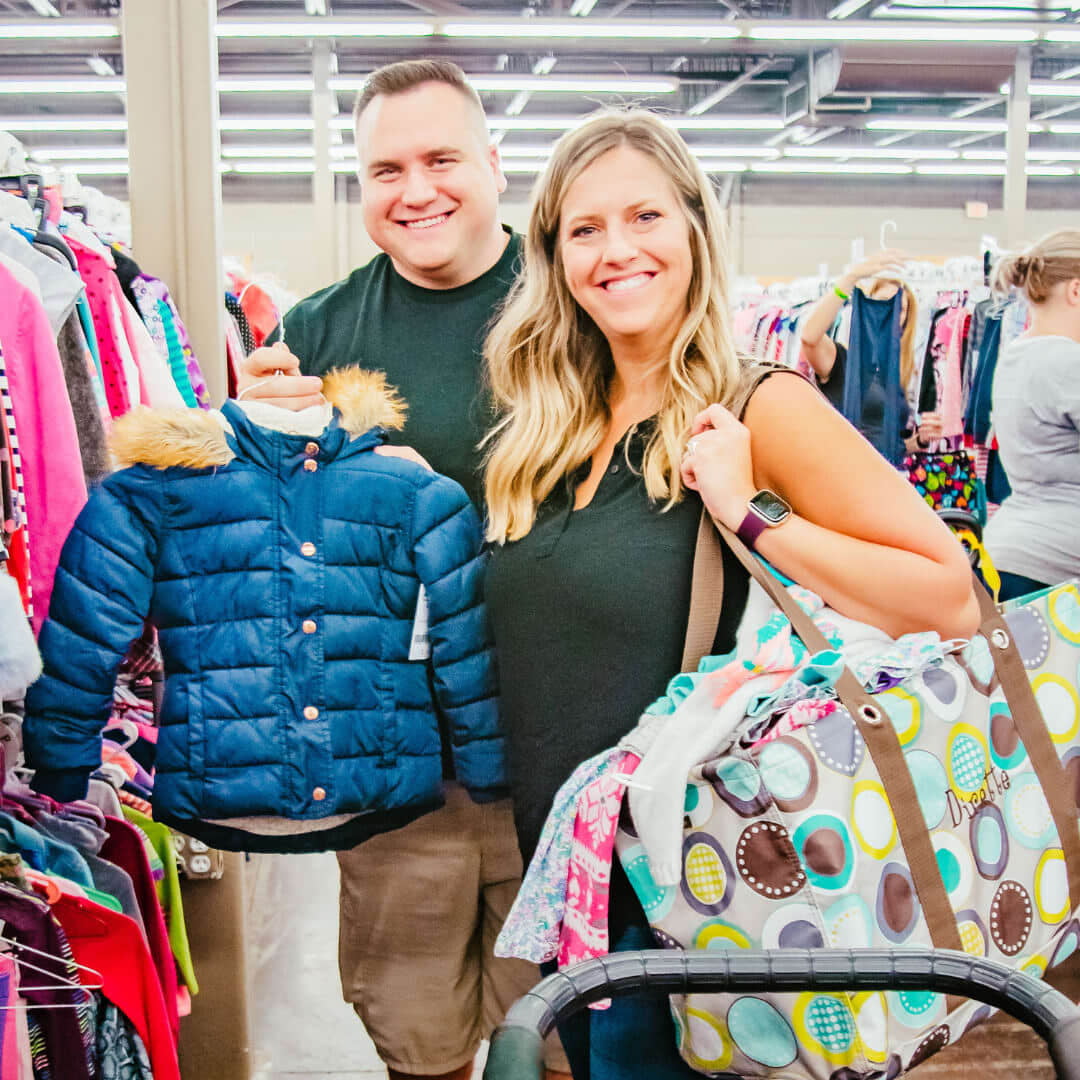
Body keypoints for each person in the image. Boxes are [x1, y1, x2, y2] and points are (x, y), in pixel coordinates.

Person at [480, 108, 979, 1080]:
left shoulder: (761, 405)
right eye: (585, 230)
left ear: (695, 233)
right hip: (579, 878)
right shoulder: (543, 435)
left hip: (697, 881)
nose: (617, 250)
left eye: (645, 217)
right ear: (555, 259)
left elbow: (948, 597)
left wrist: (751, 510)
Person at [237, 60, 567, 1080]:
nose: (416, 190)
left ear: (494, 165)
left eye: (440, 159)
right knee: (414, 1031)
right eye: (387, 169)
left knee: (556, 1029)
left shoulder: (578, 308)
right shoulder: (317, 335)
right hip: (400, 766)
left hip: (560, 750)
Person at [985, 229, 1080, 601]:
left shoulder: (1017, 354)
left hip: (1018, 554)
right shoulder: (1065, 362)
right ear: (1076, 291)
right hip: (1054, 570)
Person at [798, 251, 943, 455]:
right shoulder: (840, 361)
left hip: (883, 478)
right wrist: (850, 279)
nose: (889, 314)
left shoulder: (900, 373)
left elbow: (891, 448)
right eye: (883, 302)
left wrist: (920, 440)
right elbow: (809, 337)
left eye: (898, 309)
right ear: (867, 307)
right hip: (842, 477)